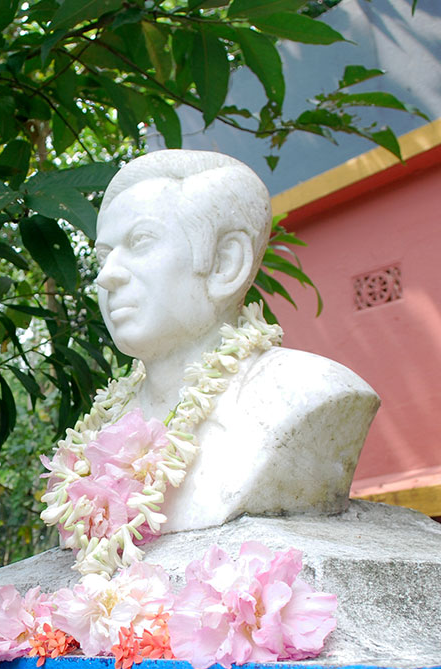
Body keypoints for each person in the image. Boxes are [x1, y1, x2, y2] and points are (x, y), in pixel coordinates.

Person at [92, 149, 379, 532]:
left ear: (226, 263)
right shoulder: (99, 433)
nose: (106, 276)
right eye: (103, 256)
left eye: (141, 242)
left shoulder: (305, 393)